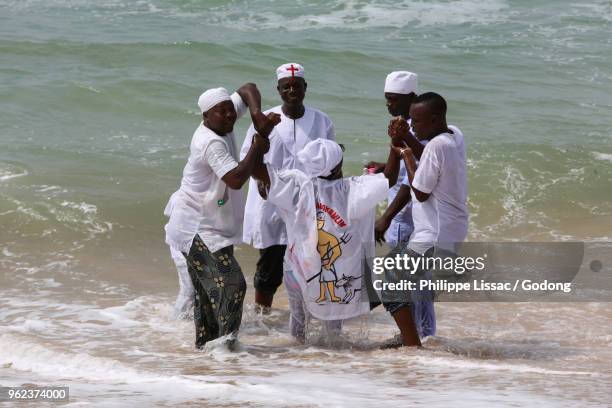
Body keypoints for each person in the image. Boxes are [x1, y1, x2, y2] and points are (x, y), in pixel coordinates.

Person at [164, 84, 280, 348]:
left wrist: (256, 114)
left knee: (207, 294)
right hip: (195, 226)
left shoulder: (223, 120)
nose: (229, 115)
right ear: (206, 116)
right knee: (232, 285)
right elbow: (237, 179)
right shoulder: (210, 142)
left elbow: (249, 88)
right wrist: (257, 143)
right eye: (222, 112)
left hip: (212, 223)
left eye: (231, 110)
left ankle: (209, 349)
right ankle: (224, 347)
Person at [251, 139, 401, 341]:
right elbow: (389, 179)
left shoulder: (296, 187)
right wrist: (395, 143)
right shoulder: (352, 190)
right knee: (333, 329)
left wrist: (259, 141)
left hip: (297, 270)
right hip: (336, 274)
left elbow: (261, 177)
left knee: (298, 322)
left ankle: (297, 358)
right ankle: (331, 362)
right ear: (337, 165)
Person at [241, 63, 335, 312]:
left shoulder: (321, 120)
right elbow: (247, 158)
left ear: (305, 88)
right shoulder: (264, 121)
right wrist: (260, 182)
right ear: (279, 90)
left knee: (310, 262)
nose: (292, 90)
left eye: (297, 86)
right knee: (270, 263)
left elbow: (331, 159)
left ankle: (307, 315)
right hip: (271, 201)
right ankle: (263, 314)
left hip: (308, 204)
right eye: (286, 87)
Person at [380, 92, 468, 347]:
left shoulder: (436, 146)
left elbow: (419, 192)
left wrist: (405, 153)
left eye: (416, 122)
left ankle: (411, 343)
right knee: (408, 281)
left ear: (435, 118)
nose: (412, 126)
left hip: (434, 233)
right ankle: (419, 335)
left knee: (391, 284)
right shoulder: (451, 137)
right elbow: (428, 156)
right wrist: (407, 139)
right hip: (449, 228)